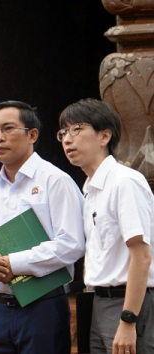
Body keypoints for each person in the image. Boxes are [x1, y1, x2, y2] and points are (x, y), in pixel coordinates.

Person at [0, 101, 85, 353]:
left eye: (8, 128)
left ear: (32, 134)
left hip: (43, 306)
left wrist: (14, 263)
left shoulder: (55, 181)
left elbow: (72, 245)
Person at [59, 98, 154, 354]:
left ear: (104, 136)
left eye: (77, 129)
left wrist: (128, 319)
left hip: (129, 303)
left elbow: (142, 256)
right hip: (98, 302)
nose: (68, 139)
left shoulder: (125, 182)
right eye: (63, 132)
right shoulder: (89, 190)